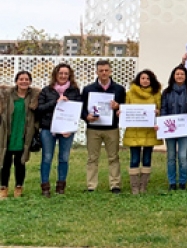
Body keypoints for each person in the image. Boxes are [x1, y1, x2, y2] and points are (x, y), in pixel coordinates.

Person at [81, 59, 127, 193]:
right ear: (97, 72)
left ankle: (115, 184)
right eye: (101, 71)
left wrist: (118, 107)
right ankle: (91, 185)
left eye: (106, 70)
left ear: (110, 71)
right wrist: (86, 116)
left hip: (111, 128)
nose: (104, 73)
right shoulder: (88, 89)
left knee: (113, 157)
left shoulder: (119, 89)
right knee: (92, 158)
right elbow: (82, 108)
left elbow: (125, 108)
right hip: (93, 128)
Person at [37, 64, 82, 197]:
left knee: (64, 158)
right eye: (60, 73)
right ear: (55, 75)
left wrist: (70, 128)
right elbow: (40, 109)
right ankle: (45, 187)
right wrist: (55, 102)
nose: (63, 76)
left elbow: (77, 111)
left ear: (70, 75)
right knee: (47, 157)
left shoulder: (74, 91)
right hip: (48, 129)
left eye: (66, 73)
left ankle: (60, 186)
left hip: (67, 130)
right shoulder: (46, 90)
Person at [0, 71, 40, 199]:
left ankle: (18, 187)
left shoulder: (34, 96)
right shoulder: (7, 95)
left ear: (30, 82)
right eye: (21, 79)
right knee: (5, 163)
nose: (24, 81)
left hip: (24, 134)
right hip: (8, 133)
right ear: (16, 81)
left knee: (20, 162)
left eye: (26, 79)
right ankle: (3, 188)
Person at [122, 70, 162, 195]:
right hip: (134, 131)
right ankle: (134, 187)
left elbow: (160, 110)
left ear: (152, 81)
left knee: (147, 158)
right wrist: (121, 113)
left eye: (148, 78)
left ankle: (143, 186)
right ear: (138, 79)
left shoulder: (156, 94)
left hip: (149, 131)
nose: (145, 80)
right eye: (143, 78)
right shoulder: (129, 94)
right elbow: (125, 109)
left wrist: (157, 112)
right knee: (134, 159)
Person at [160, 65, 187, 190]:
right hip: (170, 128)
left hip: (185, 129)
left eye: (182, 74)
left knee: (183, 156)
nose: (179, 76)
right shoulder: (166, 92)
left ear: (186, 77)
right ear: (173, 76)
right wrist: (163, 124)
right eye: (177, 74)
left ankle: (183, 182)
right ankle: (172, 182)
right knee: (171, 156)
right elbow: (163, 109)